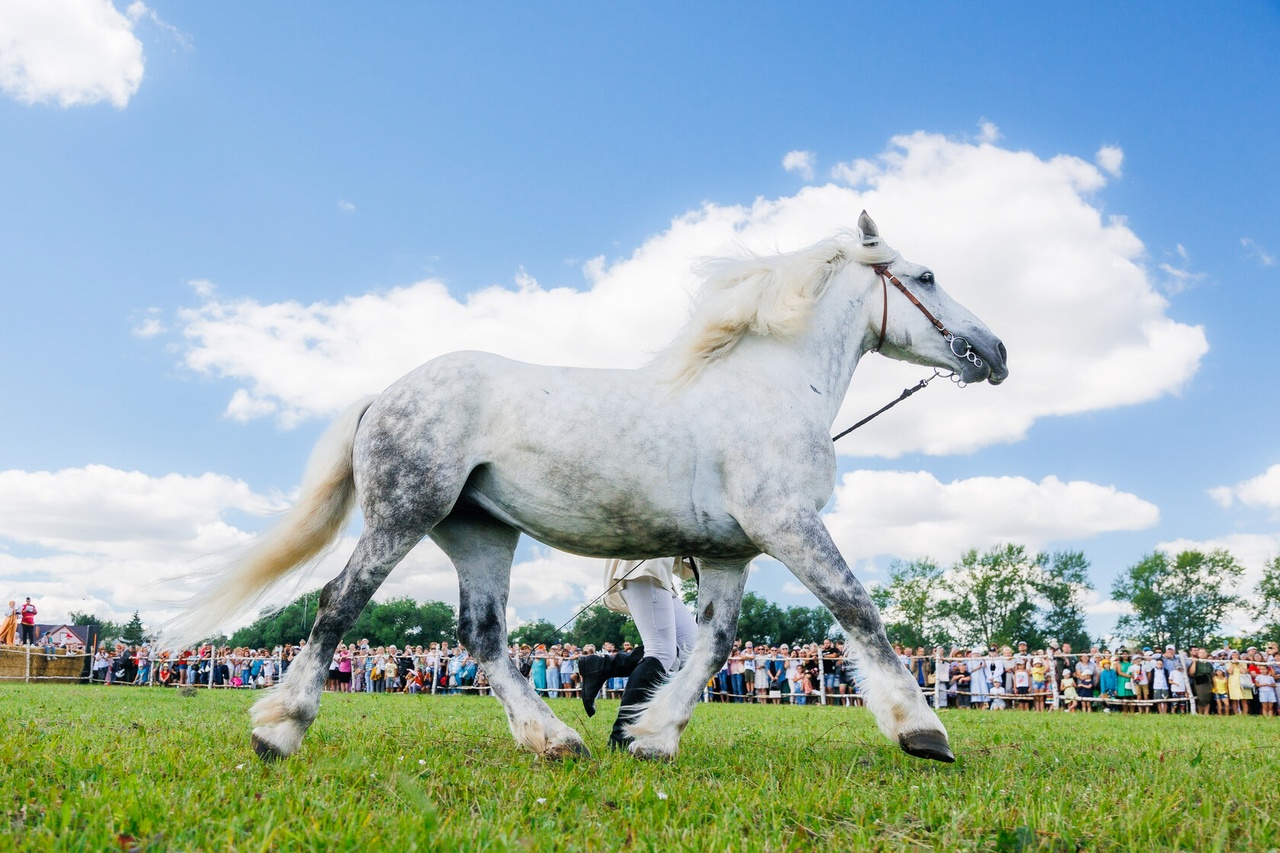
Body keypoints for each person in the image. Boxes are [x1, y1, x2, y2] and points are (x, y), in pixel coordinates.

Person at [578, 557, 695, 749]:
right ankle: (621, 738)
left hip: (661, 573)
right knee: (661, 652)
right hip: (643, 566)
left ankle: (601, 666)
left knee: (688, 647)